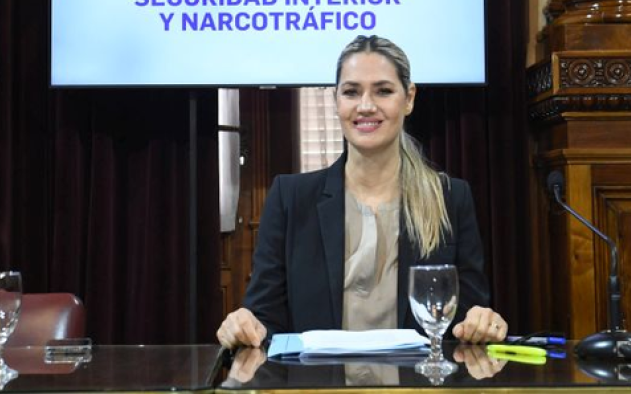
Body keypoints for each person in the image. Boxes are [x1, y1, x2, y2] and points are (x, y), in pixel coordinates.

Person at [217, 35, 508, 349]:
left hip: (418, 377)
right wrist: (244, 325)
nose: (366, 106)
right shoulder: (289, 198)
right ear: (336, 100)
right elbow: (263, 319)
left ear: (409, 98)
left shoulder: (451, 197)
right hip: (316, 378)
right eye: (351, 92)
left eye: (383, 91)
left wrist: (482, 322)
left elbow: (468, 317)